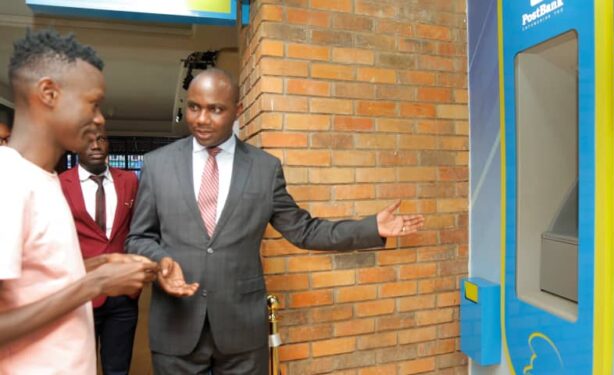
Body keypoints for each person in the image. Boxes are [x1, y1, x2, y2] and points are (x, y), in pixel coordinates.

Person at [126, 68, 425, 374]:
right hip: (176, 327)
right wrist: (161, 261)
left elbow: (304, 230)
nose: (202, 119)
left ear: (237, 111)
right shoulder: (156, 165)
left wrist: (371, 227)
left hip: (241, 331)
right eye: (194, 107)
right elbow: (138, 238)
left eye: (216, 109)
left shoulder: (264, 169)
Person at [0, 29, 158, 374]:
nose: (100, 118)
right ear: (48, 93)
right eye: (93, 103)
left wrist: (98, 267)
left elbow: (35, 284)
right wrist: (95, 284)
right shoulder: (7, 182)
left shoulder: (44, 179)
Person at [60, 127, 141, 375]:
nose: (96, 145)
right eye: (88, 140)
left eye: (102, 139)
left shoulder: (129, 181)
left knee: (118, 369)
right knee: (76, 368)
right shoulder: (60, 183)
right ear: (75, 146)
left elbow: (138, 227)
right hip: (80, 293)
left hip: (123, 295)